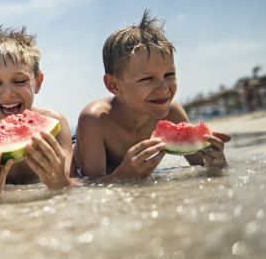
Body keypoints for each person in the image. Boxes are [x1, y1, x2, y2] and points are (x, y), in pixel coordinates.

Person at [75, 10, 231, 179]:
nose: (164, 89)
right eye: (148, 78)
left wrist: (216, 163)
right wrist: (121, 177)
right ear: (114, 85)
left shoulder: (171, 111)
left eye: (169, 75)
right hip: (78, 143)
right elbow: (90, 185)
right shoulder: (95, 119)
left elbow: (199, 165)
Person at [0, 27, 73, 194]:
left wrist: (60, 182)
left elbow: (71, 188)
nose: (8, 94)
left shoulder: (57, 125)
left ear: (38, 82)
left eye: (20, 81)